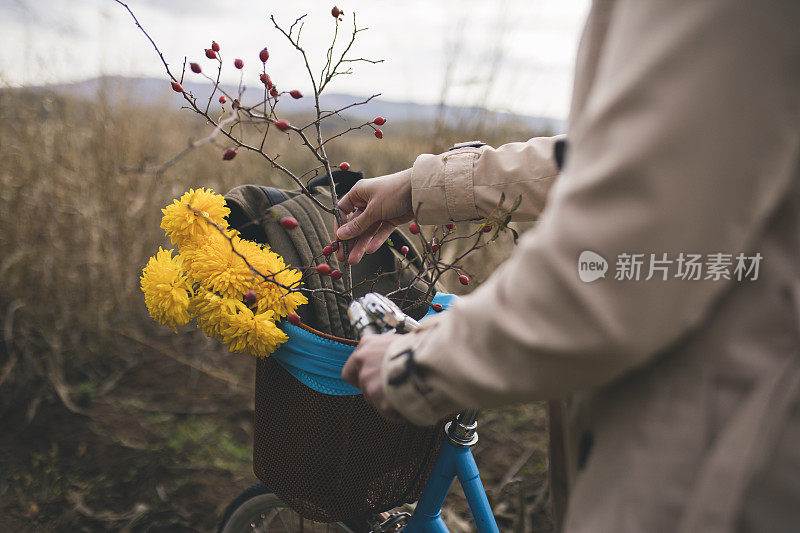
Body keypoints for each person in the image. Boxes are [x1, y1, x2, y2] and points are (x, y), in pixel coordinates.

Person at [340, 1, 800, 532]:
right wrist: (424, 186)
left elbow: (618, 262)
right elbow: (620, 158)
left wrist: (418, 366)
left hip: (716, 479)